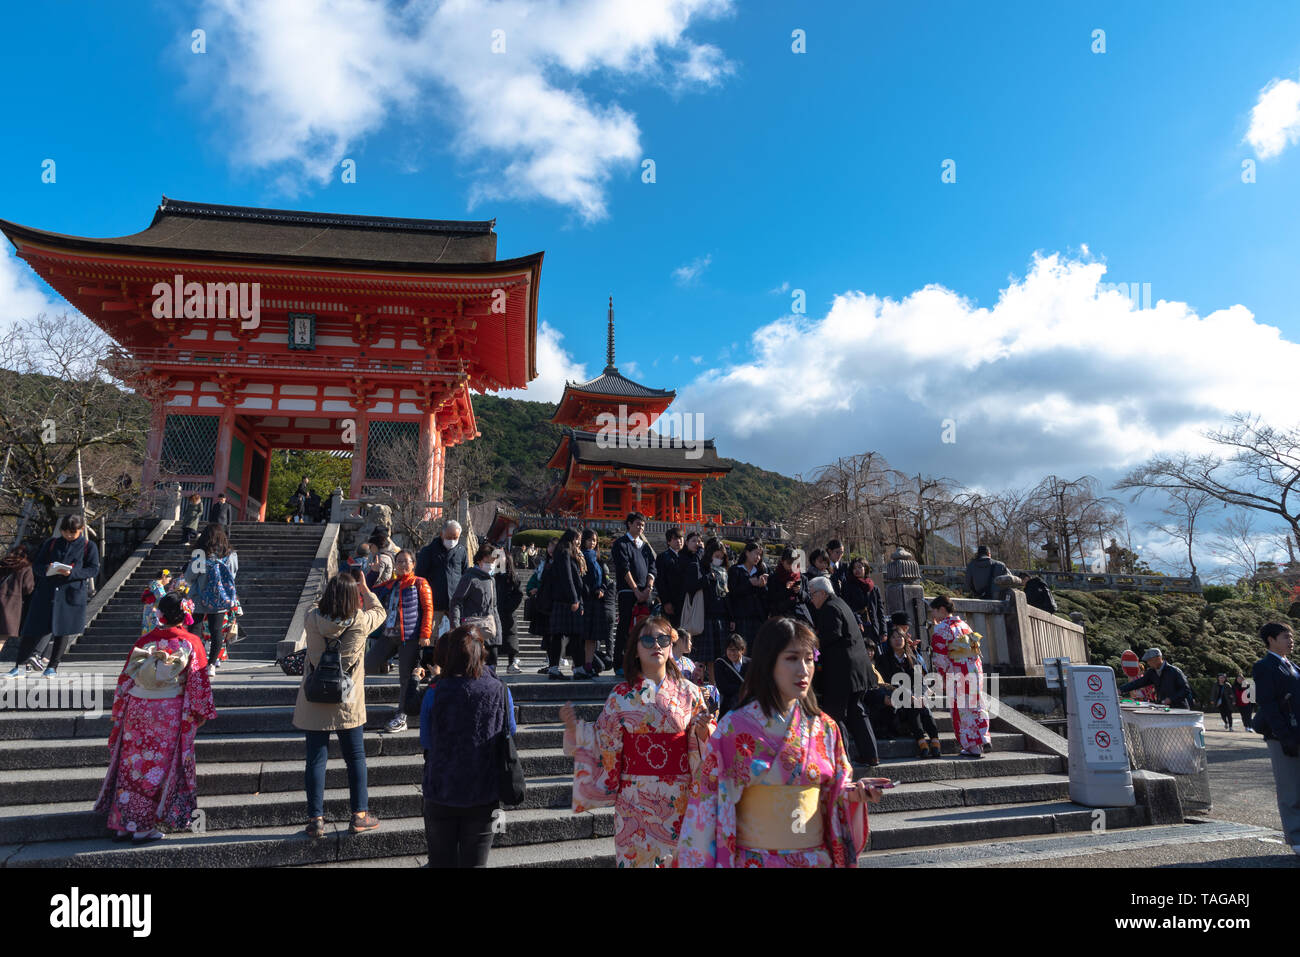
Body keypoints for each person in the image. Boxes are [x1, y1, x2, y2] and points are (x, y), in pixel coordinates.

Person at [676, 617, 884, 868]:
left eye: (808, 659)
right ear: (768, 663)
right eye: (792, 658)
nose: (803, 669)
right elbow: (706, 804)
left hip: (815, 860)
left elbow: (831, 793)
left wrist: (854, 793)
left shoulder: (825, 727)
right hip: (756, 861)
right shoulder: (734, 727)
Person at [559, 616, 713, 867]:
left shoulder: (690, 692)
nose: (656, 645)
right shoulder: (620, 695)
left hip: (678, 798)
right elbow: (602, 739)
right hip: (634, 802)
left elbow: (706, 744)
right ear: (636, 649)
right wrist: (575, 729)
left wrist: (704, 732)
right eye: (648, 639)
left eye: (663, 639)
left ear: (671, 645)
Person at [92, 592, 216, 842]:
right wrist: (200, 712)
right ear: (185, 615)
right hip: (168, 710)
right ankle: (142, 826)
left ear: (159, 614)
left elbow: (125, 679)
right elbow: (198, 683)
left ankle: (122, 823)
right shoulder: (191, 642)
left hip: (137, 707)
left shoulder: (146, 640)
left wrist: (119, 710)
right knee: (156, 766)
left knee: (132, 764)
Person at [293, 572, 386, 838]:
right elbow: (379, 611)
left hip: (315, 698)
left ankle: (316, 820)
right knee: (355, 758)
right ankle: (359, 815)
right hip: (348, 699)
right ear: (352, 597)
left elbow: (311, 605)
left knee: (315, 759)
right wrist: (365, 589)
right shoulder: (360, 621)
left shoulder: (311, 619)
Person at [421, 624, 518, 867]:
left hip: (440, 789)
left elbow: (426, 740)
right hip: (483, 794)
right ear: (481, 653)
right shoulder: (500, 690)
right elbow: (510, 731)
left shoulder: (435, 691)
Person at [6, 515, 100, 678]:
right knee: (32, 628)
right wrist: (48, 569)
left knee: (63, 631)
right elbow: (37, 565)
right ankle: (20, 666)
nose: (69, 535)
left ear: (81, 530)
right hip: (46, 591)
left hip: (70, 593)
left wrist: (72, 573)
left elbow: (92, 569)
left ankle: (52, 666)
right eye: (65, 532)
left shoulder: (88, 546)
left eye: (73, 532)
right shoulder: (51, 543)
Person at [808, 576, 880, 767]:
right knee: (857, 710)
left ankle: (842, 759)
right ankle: (870, 754)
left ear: (822, 593)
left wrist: (813, 646)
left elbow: (831, 636)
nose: (811, 598)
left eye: (812, 594)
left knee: (834, 714)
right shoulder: (841, 603)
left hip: (842, 672)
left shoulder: (829, 609)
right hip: (857, 669)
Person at [368, 550, 433, 733]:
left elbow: (428, 609)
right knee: (366, 665)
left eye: (407, 561)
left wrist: (425, 634)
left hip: (410, 638)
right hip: (388, 635)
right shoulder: (390, 584)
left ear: (413, 564)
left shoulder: (421, 583)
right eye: (399, 562)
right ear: (395, 565)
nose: (403, 565)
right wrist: (373, 573)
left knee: (405, 678)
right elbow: (365, 591)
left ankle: (401, 716)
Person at [1252, 622, 1300, 854]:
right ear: (1271, 640)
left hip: (1297, 733)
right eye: (1285, 636)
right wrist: (1284, 737)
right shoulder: (1264, 666)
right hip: (1282, 736)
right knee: (1290, 788)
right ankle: (1297, 838)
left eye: (1291, 636)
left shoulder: (1293, 666)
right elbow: (1268, 705)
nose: (1291, 640)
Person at [927, 595, 990, 758]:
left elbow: (940, 658)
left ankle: (972, 746)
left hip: (957, 672)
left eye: (933, 610)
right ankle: (983, 737)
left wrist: (943, 674)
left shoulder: (941, 628)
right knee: (976, 704)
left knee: (961, 709)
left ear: (941, 609)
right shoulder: (964, 625)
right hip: (975, 670)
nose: (932, 615)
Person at [877, 625, 941, 758]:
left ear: (905, 639)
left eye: (900, 636)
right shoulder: (884, 660)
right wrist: (910, 695)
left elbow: (921, 681)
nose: (897, 640)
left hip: (915, 696)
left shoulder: (913, 658)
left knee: (923, 706)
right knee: (913, 705)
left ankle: (934, 741)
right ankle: (922, 742)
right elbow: (887, 683)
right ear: (889, 641)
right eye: (893, 637)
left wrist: (922, 695)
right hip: (896, 695)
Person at [184, 524, 239, 677]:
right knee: (216, 631)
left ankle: (195, 662)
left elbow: (189, 578)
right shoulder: (230, 554)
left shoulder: (200, 554)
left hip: (199, 597)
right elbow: (232, 576)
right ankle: (211, 665)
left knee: (195, 630)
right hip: (220, 597)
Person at [611, 512, 656, 670]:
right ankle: (620, 663)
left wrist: (648, 588)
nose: (641, 527)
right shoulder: (621, 544)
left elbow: (652, 567)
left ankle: (642, 663)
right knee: (624, 626)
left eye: (643, 525)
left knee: (645, 629)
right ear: (629, 524)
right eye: (638, 524)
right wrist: (636, 590)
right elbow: (624, 568)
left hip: (646, 591)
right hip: (627, 591)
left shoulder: (645, 547)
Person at [685, 537, 731, 684]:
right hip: (705, 616)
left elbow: (727, 596)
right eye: (716, 556)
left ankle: (714, 689)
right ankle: (694, 686)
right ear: (710, 554)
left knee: (716, 658)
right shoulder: (699, 566)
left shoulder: (724, 572)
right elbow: (691, 586)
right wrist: (708, 577)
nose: (719, 559)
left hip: (721, 617)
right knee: (702, 658)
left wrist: (731, 617)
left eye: (721, 557)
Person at [450, 543, 503, 668]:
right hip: (473, 630)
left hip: (490, 629)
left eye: (494, 561)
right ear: (479, 560)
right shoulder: (469, 578)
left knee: (492, 664)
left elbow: (494, 607)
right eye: (488, 560)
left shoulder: (492, 580)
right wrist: (456, 626)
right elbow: (456, 601)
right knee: (474, 665)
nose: (491, 564)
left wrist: (498, 631)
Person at [546, 529, 586, 681]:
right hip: (567, 601)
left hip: (563, 600)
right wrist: (575, 599)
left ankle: (557, 668)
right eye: (577, 539)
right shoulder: (564, 552)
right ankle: (576, 669)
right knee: (573, 635)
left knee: (561, 636)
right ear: (572, 538)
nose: (578, 542)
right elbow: (567, 577)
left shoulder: (562, 551)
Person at [416, 519, 467, 636]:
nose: (452, 541)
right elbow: (420, 576)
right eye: (449, 537)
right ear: (441, 534)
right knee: (430, 635)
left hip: (454, 602)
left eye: (455, 538)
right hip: (433, 602)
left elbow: (464, 574)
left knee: (457, 635)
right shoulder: (428, 551)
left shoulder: (461, 551)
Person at [578, 529, 615, 679]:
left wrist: (601, 588)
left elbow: (605, 579)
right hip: (586, 599)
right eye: (589, 540)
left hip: (596, 601)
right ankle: (579, 664)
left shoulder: (598, 559)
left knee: (592, 636)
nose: (592, 543)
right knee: (584, 635)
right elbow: (581, 578)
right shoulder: (580, 556)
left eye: (594, 540)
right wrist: (591, 590)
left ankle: (588, 664)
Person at [1118, 647, 1192, 708]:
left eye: (1150, 660)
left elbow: (1186, 689)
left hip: (1179, 708)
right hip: (1163, 707)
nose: (1148, 663)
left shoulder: (1174, 671)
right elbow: (1138, 683)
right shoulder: (1152, 672)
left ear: (1158, 658)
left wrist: (1171, 699)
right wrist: (1121, 690)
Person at [727, 541, 768, 647]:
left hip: (758, 617)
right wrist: (749, 583)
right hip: (741, 616)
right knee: (742, 648)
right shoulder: (735, 570)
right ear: (747, 553)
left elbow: (766, 596)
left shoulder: (760, 571)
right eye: (755, 553)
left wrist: (762, 586)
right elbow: (733, 592)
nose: (758, 557)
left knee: (757, 648)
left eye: (760, 555)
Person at [841, 559, 886, 651]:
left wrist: (883, 631)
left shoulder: (874, 588)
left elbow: (880, 611)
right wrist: (857, 620)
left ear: (865, 568)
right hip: (857, 627)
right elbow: (847, 607)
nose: (857, 570)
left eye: (860, 567)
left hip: (873, 628)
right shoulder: (848, 586)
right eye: (854, 568)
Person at [526, 538, 557, 668]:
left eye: (554, 546)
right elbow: (532, 581)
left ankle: (553, 664)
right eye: (549, 545)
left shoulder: (562, 563)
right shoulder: (543, 564)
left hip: (555, 603)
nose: (551, 549)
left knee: (554, 636)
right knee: (547, 635)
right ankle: (551, 663)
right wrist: (531, 590)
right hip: (544, 604)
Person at [493, 549, 525, 675]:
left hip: (508, 613)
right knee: (494, 640)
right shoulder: (493, 575)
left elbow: (519, 594)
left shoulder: (512, 576)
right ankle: (492, 664)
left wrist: (509, 606)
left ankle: (511, 663)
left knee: (510, 638)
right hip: (495, 611)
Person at [0, 545, 35, 659]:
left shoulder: (2, 565)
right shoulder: (25, 568)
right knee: (2, 638)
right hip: (11, 606)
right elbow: (28, 588)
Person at [766, 546, 811, 624]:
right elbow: (770, 598)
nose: (792, 567)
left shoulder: (802, 578)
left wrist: (799, 591)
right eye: (789, 563)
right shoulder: (774, 577)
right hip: (780, 617)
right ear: (782, 562)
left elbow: (808, 598)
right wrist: (786, 589)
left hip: (799, 617)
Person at [656, 527, 686, 629]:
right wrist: (666, 601)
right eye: (675, 538)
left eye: (680, 538)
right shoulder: (663, 557)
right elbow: (660, 581)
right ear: (669, 541)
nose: (679, 541)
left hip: (686, 601)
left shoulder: (688, 556)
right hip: (671, 601)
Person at [713, 634, 749, 716]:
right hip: (727, 707)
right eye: (729, 650)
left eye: (735, 650)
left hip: (748, 705)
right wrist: (743, 689)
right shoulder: (720, 663)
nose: (732, 653)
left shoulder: (751, 664)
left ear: (742, 650)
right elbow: (722, 687)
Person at [140, 568, 174, 636]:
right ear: (164, 576)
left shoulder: (152, 583)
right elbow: (162, 599)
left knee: (147, 632)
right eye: (168, 580)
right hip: (154, 613)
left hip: (148, 610)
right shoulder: (158, 587)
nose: (168, 582)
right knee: (153, 634)